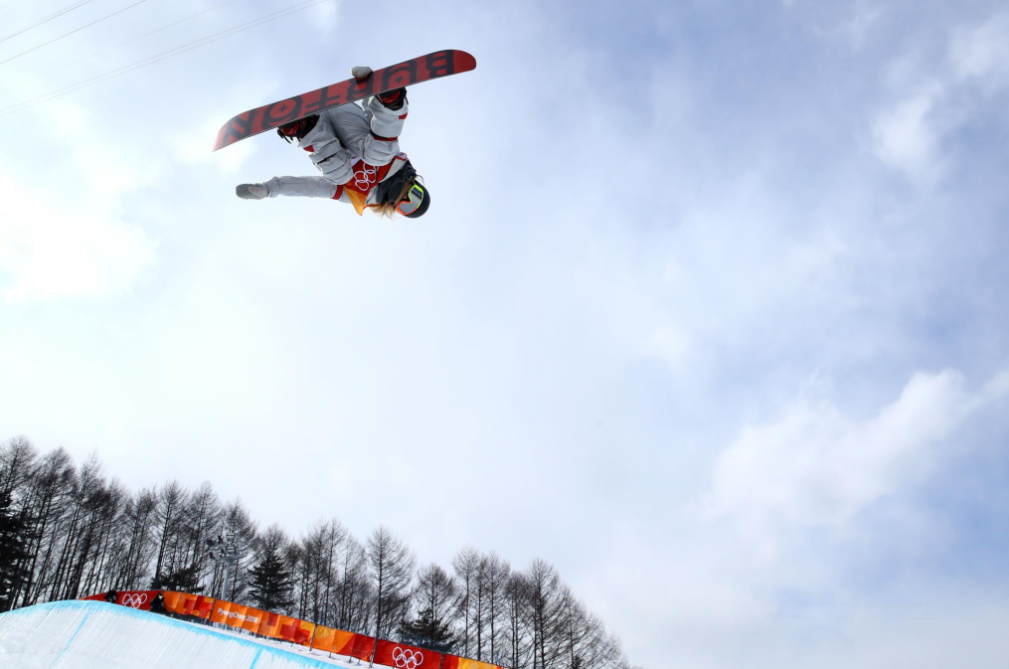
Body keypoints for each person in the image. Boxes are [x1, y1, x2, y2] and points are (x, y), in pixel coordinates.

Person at [235, 66, 430, 219]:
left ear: (394, 210)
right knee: (380, 155)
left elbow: (312, 188)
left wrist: (270, 189)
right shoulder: (394, 159)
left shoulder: (358, 196)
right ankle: (391, 100)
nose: (406, 198)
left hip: (319, 126)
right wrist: (370, 88)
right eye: (415, 195)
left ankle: (302, 127)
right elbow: (374, 121)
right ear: (416, 183)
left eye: (406, 207)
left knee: (340, 177)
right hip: (342, 113)